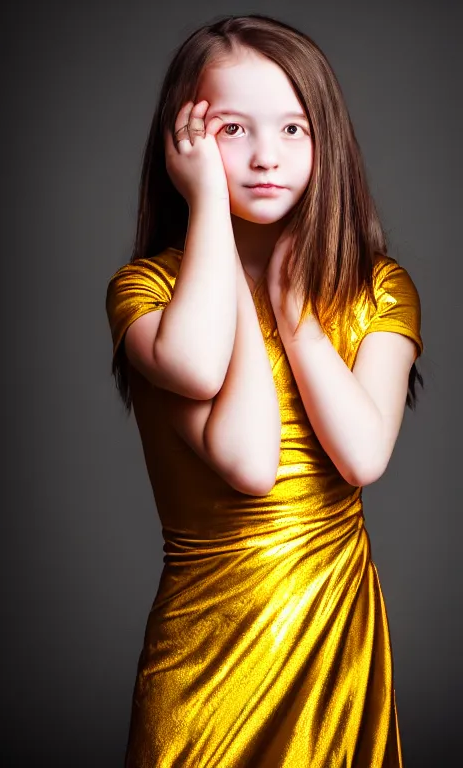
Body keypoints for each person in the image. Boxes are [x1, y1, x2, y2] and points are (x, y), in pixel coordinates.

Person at [105, 13, 423, 767]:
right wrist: (212, 212)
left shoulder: (376, 290)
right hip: (205, 661)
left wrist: (294, 311)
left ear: (327, 141)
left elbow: (362, 455)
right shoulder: (147, 293)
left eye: (292, 129)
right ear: (184, 144)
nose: (264, 157)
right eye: (232, 129)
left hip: (332, 645)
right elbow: (249, 457)